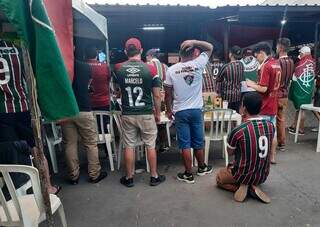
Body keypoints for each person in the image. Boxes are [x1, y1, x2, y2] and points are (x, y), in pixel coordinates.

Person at [0, 39, 60, 194]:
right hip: (24, 107)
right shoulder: (20, 50)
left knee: (10, 154)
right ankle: (47, 187)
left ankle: (15, 194)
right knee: (36, 148)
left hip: (2, 112)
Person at [114, 38, 166, 187]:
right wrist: (157, 113)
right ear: (141, 50)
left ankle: (129, 178)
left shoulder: (118, 68)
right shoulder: (151, 69)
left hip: (128, 113)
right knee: (150, 145)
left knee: (129, 145)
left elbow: (119, 90)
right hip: (146, 113)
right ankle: (154, 176)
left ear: (125, 52)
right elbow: (157, 95)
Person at [164, 39, 213, 184]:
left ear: (180, 54)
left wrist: (168, 110)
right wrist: (195, 41)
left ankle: (188, 174)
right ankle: (202, 167)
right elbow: (210, 47)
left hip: (180, 111)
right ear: (193, 54)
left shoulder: (171, 70)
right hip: (196, 110)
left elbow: (167, 93)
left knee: (185, 143)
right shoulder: (198, 64)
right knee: (198, 141)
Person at [216, 92, 274, 203]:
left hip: (242, 174)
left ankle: (244, 188)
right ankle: (253, 185)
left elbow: (230, 153)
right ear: (260, 107)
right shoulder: (270, 126)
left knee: (220, 178)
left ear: (244, 108)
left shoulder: (238, 131)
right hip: (262, 175)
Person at [61, 59, 107, 185]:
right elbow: (89, 84)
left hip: (66, 110)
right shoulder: (85, 67)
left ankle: (73, 176)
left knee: (69, 143)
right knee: (90, 143)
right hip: (84, 109)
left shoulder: (59, 65)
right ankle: (94, 174)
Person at [246, 42, 281, 164]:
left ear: (261, 52)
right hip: (274, 103)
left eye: (256, 56)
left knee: (261, 133)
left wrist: (251, 84)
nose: (256, 59)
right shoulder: (276, 63)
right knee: (273, 132)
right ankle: (272, 157)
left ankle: (260, 159)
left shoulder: (266, 66)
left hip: (265, 105)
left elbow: (264, 89)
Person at [288, 46, 316, 135]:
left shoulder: (301, 63)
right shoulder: (313, 62)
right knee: (300, 109)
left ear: (303, 53)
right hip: (308, 90)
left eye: (300, 53)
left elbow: (295, 78)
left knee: (301, 109)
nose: (299, 55)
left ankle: (301, 129)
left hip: (300, 90)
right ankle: (294, 125)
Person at [146, 48, 169, 152]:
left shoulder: (148, 65)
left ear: (149, 56)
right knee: (162, 121)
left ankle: (153, 144)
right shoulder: (165, 67)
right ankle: (163, 143)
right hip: (163, 96)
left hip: (152, 97)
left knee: (152, 122)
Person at [85, 46, 111, 133]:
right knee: (103, 128)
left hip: (88, 103)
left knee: (89, 129)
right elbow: (108, 81)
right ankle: (105, 144)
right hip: (103, 103)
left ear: (85, 55)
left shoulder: (82, 67)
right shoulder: (105, 67)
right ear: (97, 55)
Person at [276, 38, 295, 151]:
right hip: (285, 94)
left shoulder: (278, 62)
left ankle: (275, 142)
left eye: (278, 46)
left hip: (276, 94)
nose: (276, 48)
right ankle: (282, 143)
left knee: (273, 120)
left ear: (281, 48)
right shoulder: (291, 61)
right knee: (281, 119)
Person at [216, 46, 244, 113]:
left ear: (230, 54)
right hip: (238, 95)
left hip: (227, 97)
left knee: (227, 115)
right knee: (236, 114)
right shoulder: (241, 65)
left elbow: (218, 79)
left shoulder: (226, 66)